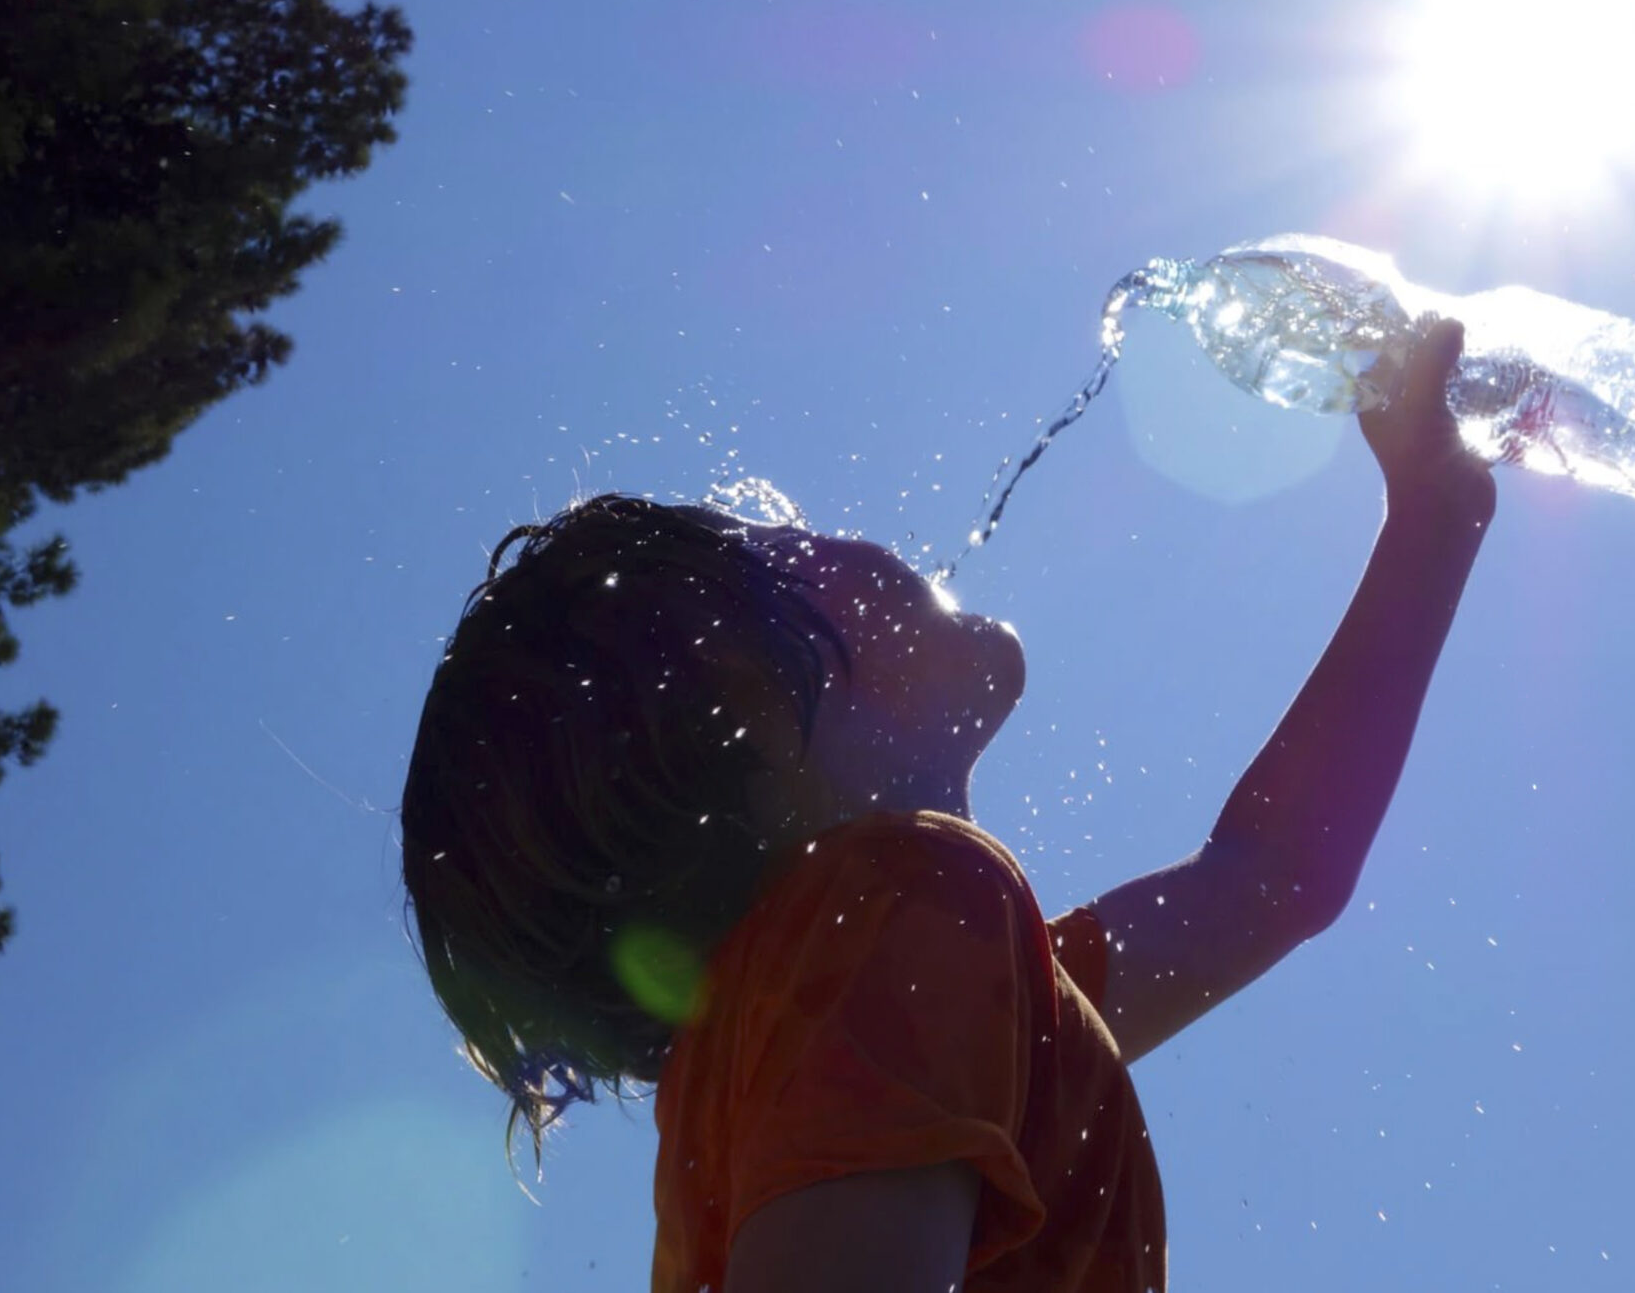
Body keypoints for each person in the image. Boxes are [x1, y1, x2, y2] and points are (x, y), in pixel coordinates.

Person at [399, 319, 1494, 1292]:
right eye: (776, 555)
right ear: (746, 718)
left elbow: (1272, 878)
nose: (824, 536)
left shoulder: (896, 989)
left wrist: (1433, 518)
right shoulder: (888, 918)